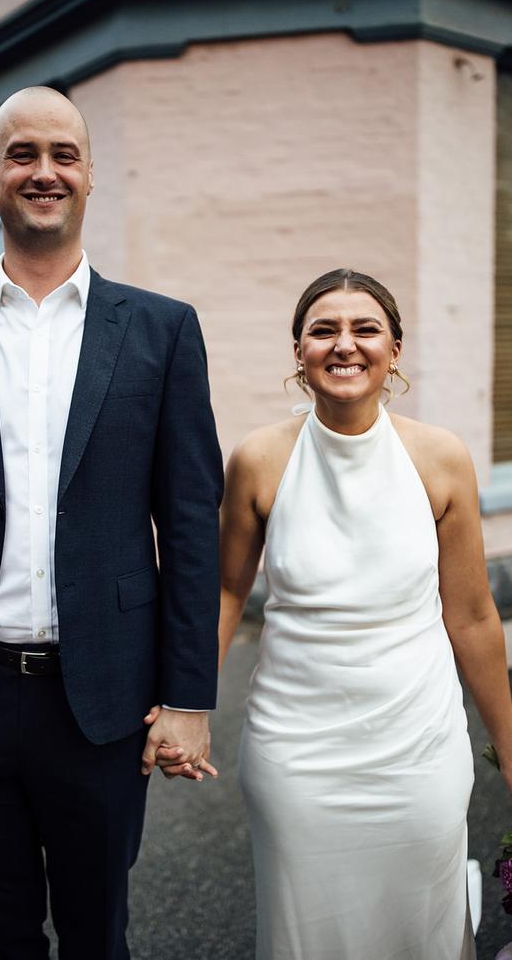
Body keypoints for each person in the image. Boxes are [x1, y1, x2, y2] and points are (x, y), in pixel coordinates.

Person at [0, 86, 223, 960]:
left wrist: (187, 696)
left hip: (97, 703)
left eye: (64, 154)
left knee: (98, 935)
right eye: (22, 154)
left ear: (91, 175)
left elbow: (187, 525)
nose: (44, 170)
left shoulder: (163, 331)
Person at [218, 268, 512, 960]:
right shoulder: (259, 459)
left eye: (365, 328)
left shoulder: (441, 458)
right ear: (298, 351)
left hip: (418, 748)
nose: (344, 344)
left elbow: (471, 615)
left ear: (395, 349)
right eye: (323, 329)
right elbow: (225, 591)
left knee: (423, 929)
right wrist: (186, 707)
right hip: (296, 751)